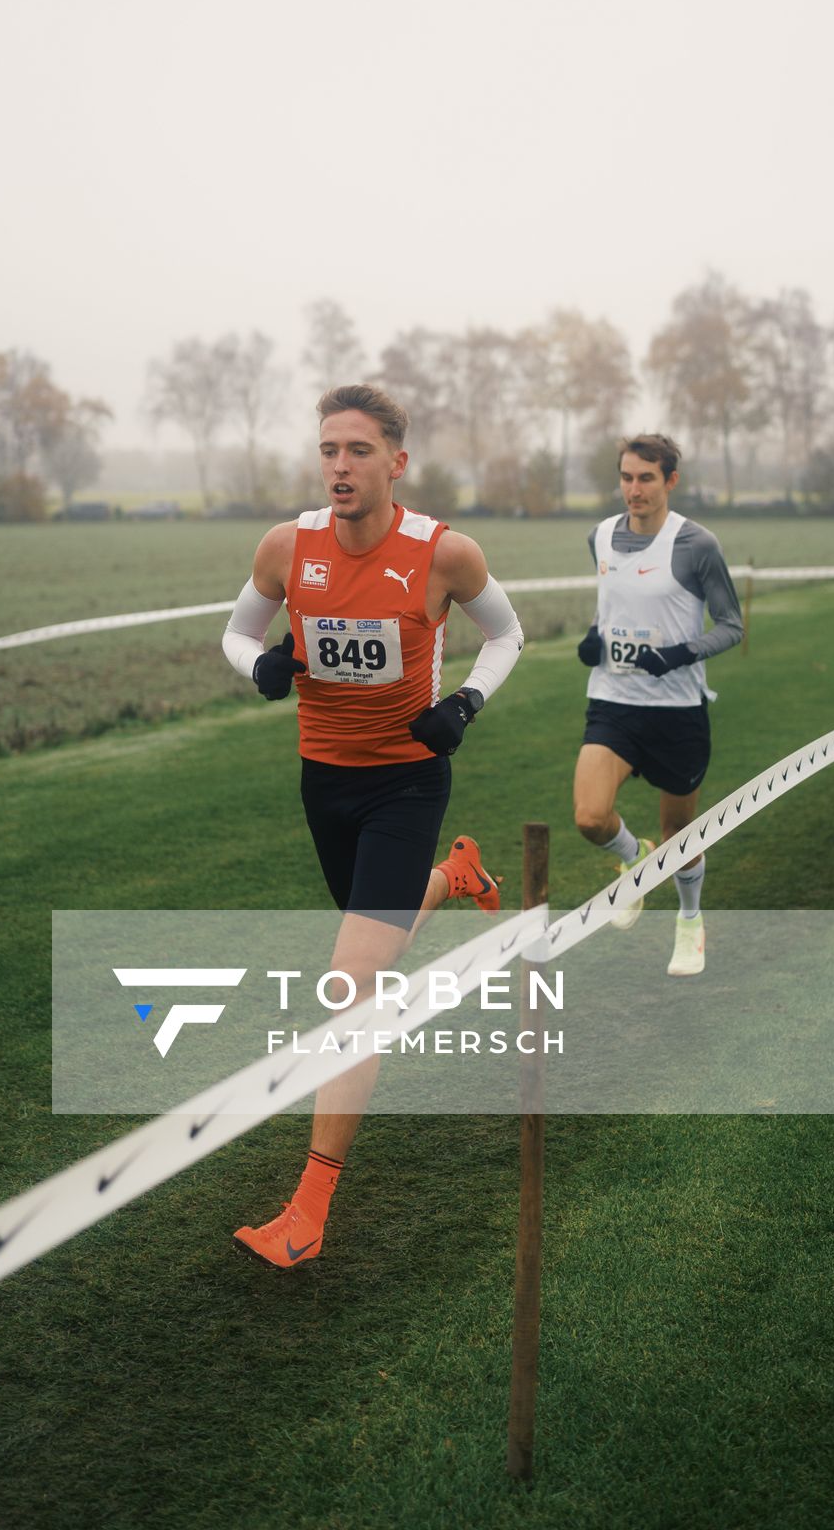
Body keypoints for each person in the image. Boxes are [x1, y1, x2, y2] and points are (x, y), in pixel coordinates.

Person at [221, 382, 525, 1266]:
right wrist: (263, 668)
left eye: (357, 451)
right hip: (327, 785)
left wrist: (465, 703)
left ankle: (309, 1209)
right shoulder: (288, 546)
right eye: (328, 450)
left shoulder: (443, 553)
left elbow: (507, 637)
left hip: (407, 784)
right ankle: (456, 875)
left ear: (397, 461)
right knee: (371, 944)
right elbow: (237, 635)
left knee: (353, 983)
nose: (339, 466)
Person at [574, 434, 742, 977]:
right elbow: (612, 604)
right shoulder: (599, 536)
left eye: (646, 478)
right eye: (626, 477)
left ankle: (690, 920)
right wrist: (594, 637)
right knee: (590, 818)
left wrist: (680, 653)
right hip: (613, 702)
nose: (633, 489)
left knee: (680, 835)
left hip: (677, 712)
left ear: (671, 481)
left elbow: (732, 627)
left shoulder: (697, 545)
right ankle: (632, 857)